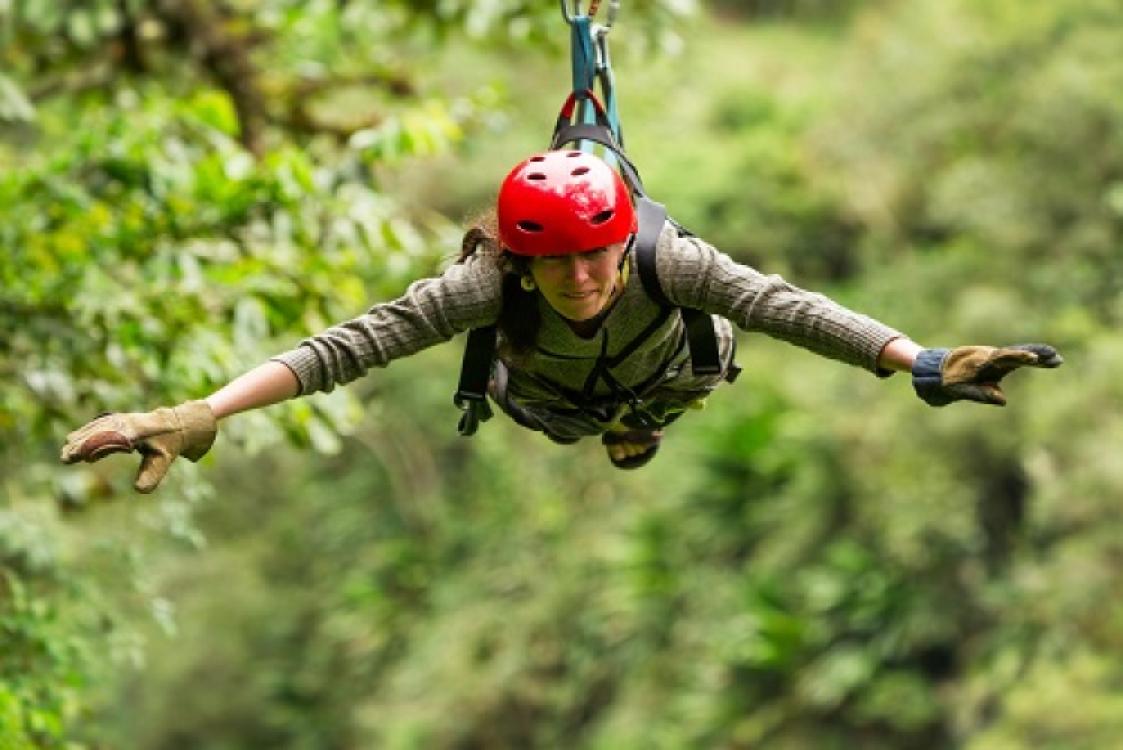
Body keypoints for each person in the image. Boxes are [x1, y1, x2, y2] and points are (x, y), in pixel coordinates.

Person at [60, 150, 1063, 491]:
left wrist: (919, 359)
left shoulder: (668, 261)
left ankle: (642, 423)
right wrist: (206, 410)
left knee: (703, 352)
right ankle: (616, 426)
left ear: (621, 243)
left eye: (596, 253)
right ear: (521, 258)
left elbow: (787, 308)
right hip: (548, 401)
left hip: (669, 376)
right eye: (554, 261)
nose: (580, 275)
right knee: (547, 401)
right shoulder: (484, 287)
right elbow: (345, 349)